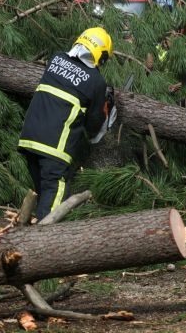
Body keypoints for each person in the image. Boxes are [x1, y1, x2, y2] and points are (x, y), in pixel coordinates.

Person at [18, 27, 115, 220]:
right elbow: (93, 127)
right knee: (53, 207)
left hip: (29, 139)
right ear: (101, 55)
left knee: (44, 194)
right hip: (55, 148)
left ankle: (28, 233)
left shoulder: (56, 59)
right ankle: (44, 238)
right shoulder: (96, 81)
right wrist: (105, 110)